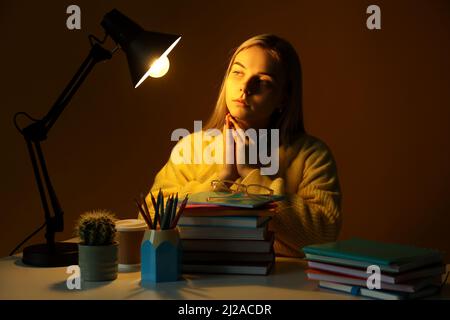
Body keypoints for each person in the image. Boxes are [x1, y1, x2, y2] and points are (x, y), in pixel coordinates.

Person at [143, 34, 342, 257]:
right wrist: (221, 181)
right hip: (200, 278)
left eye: (263, 81)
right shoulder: (191, 148)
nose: (245, 88)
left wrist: (252, 177)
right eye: (238, 73)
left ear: (284, 97)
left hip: (281, 284)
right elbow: (149, 218)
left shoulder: (311, 155)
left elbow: (322, 237)